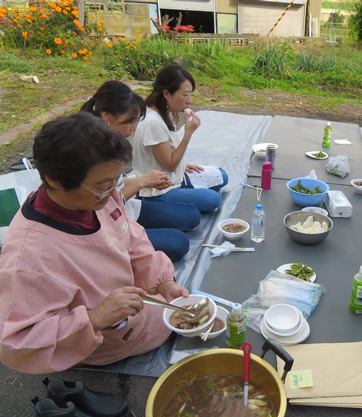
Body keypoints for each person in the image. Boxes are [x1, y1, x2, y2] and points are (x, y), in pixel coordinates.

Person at [0, 113, 186, 374]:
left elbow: (132, 238)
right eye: (103, 185)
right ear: (55, 179)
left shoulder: (100, 197)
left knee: (186, 308)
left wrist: (162, 282)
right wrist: (95, 317)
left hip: (130, 305)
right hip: (105, 336)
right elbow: (16, 344)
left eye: (116, 180)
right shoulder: (29, 256)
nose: (114, 192)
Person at [81, 81, 200, 261]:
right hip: (111, 221)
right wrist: (143, 182)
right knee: (179, 241)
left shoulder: (113, 142)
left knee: (191, 214)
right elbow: (103, 202)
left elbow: (117, 186)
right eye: (129, 121)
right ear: (106, 116)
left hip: (128, 208)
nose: (134, 127)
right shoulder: (92, 154)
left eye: (136, 120)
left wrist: (146, 179)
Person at [133, 64, 228, 215]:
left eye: (190, 95)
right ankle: (162, 204)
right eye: (185, 95)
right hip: (161, 189)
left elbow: (167, 155)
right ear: (166, 93)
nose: (189, 101)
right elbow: (170, 165)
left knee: (222, 175)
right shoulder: (153, 122)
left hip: (176, 175)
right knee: (213, 199)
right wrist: (188, 133)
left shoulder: (167, 112)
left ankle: (187, 193)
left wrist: (183, 165)